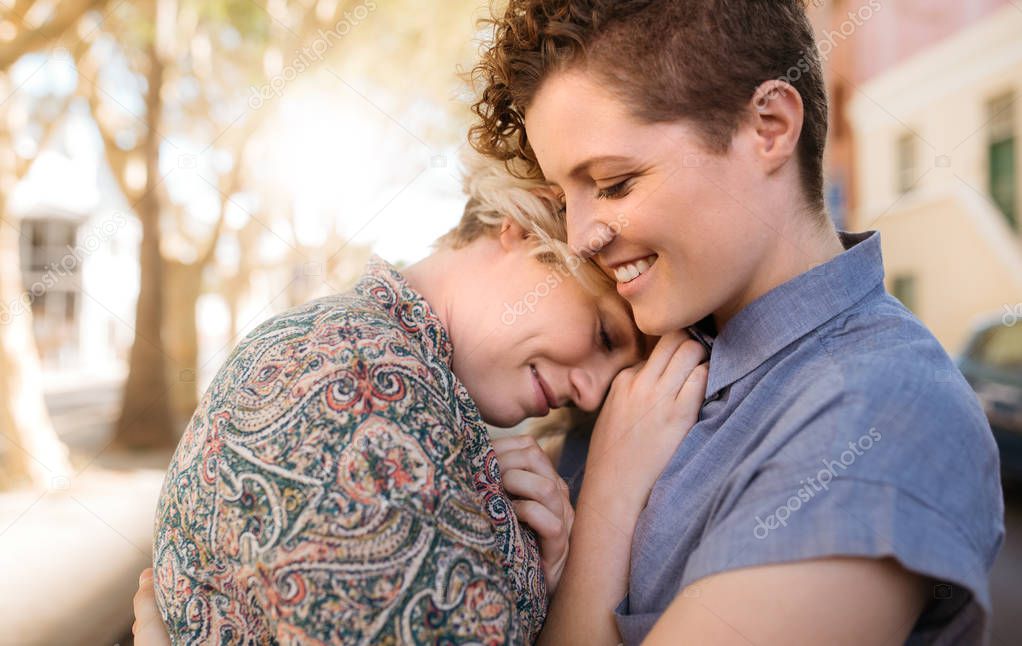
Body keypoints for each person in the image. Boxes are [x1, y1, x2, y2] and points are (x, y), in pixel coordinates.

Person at [469, 0, 1005, 644]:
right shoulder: (646, 360)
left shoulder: (879, 409)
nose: (580, 236)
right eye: (566, 197)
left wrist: (606, 509)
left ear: (770, 127)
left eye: (613, 183)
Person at [142, 151, 709, 645]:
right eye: (604, 334)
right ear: (526, 223)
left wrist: (545, 576)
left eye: (613, 379)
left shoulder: (401, 378)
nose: (589, 393)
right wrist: (612, 501)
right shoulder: (359, 390)